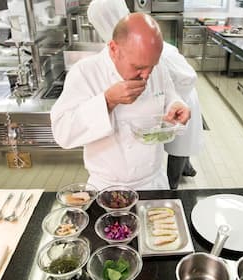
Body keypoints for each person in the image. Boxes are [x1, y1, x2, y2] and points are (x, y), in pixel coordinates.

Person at [50, 13, 191, 190]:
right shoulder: (86, 72)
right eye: (138, 67)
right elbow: (62, 132)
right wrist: (107, 101)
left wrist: (175, 105)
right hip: (107, 188)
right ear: (114, 49)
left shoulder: (156, 66)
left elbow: (169, 94)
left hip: (153, 184)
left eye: (152, 67)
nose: (147, 75)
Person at [87, 0, 204, 189]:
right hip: (167, 109)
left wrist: (171, 100)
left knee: (178, 149)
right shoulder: (116, 51)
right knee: (172, 146)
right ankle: (185, 168)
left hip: (184, 99)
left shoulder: (152, 50)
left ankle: (176, 184)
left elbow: (188, 78)